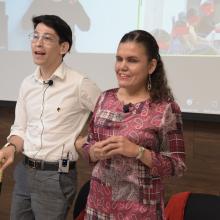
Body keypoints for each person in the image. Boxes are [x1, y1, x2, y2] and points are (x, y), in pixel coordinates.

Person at [0, 15, 100, 220]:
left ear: (63, 47)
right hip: (24, 172)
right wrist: (10, 148)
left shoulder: (80, 83)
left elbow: (108, 117)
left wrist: (87, 142)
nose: (38, 43)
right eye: (35, 36)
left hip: (56, 177)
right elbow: (20, 128)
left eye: (47, 38)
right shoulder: (27, 83)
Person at [81, 30, 186, 219]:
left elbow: (177, 166)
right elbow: (88, 144)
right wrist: (93, 151)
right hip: (98, 208)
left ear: (151, 65)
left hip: (140, 212)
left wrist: (137, 151)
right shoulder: (105, 98)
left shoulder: (165, 108)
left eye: (132, 60)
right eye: (119, 59)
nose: (122, 66)